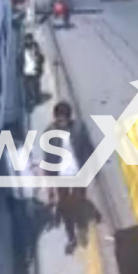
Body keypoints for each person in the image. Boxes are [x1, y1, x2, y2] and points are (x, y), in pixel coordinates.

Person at [42, 101, 86, 254]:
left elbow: (87, 150)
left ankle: (80, 223)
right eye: (58, 119)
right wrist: (49, 188)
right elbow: (47, 161)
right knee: (66, 206)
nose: (60, 123)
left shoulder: (79, 129)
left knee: (78, 201)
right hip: (61, 176)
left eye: (63, 119)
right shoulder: (49, 133)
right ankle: (71, 236)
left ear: (69, 118)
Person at [23, 33, 45, 106]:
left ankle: (37, 98)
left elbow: (40, 57)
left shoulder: (35, 46)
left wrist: (39, 63)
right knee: (28, 87)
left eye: (30, 39)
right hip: (27, 71)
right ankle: (29, 100)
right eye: (27, 40)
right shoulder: (23, 47)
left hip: (35, 70)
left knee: (36, 85)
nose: (28, 41)